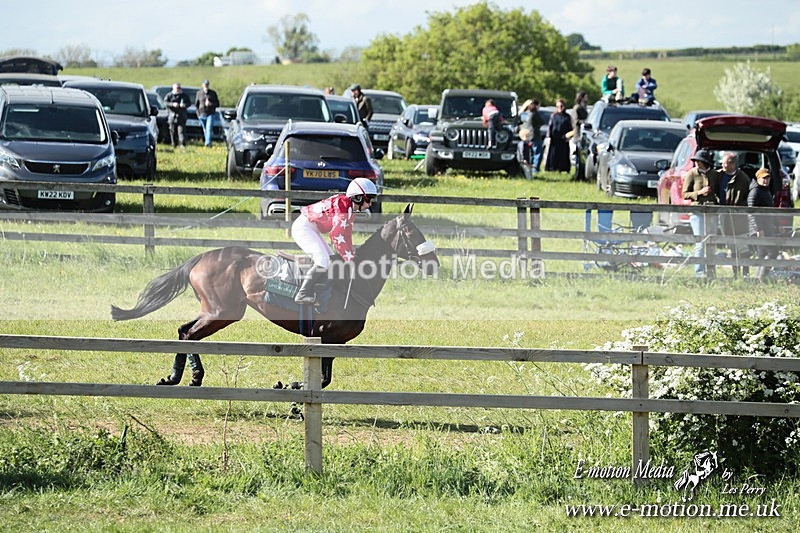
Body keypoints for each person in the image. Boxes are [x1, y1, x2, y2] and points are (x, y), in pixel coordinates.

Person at [292, 177, 378, 304]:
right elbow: (336, 235)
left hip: (312, 227)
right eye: (369, 199)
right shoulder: (344, 206)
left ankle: (321, 293)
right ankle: (302, 294)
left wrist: (351, 256)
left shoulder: (350, 209)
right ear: (358, 197)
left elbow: (346, 235)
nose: (370, 204)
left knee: (331, 260)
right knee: (323, 261)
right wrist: (349, 258)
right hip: (303, 228)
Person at [681, 149, 720, 277]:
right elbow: (685, 194)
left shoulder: (715, 174)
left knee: (711, 241)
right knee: (700, 242)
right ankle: (699, 272)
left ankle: (711, 271)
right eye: (696, 161)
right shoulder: (692, 173)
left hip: (712, 211)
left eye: (700, 161)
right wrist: (699, 192)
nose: (697, 163)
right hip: (697, 211)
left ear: (706, 162)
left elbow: (719, 192)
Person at [716, 152, 750, 277]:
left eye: (726, 163)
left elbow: (748, 198)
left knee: (742, 244)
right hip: (723, 214)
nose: (723, 165)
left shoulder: (743, 178)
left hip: (738, 216)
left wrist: (739, 208)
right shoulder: (718, 175)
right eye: (723, 163)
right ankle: (735, 274)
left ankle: (745, 273)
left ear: (733, 164)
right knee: (730, 244)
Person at [748, 168, 777, 280]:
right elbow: (751, 212)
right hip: (760, 229)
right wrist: (758, 229)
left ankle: (758, 278)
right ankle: (762, 277)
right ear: (758, 178)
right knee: (772, 252)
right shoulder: (755, 192)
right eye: (763, 178)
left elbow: (771, 210)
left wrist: (778, 224)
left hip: (767, 227)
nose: (766, 180)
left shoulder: (766, 191)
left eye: (768, 178)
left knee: (762, 254)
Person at [544, 99, 572, 172]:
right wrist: (549, 136)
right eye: (558, 106)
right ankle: (552, 168)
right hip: (554, 138)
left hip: (564, 138)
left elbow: (570, 128)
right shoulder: (553, 116)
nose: (560, 108)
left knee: (563, 154)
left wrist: (569, 137)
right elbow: (550, 127)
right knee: (553, 154)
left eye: (561, 106)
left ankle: (563, 169)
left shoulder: (567, 116)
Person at [163, 83, 191, 150]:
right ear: (173, 88)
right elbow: (165, 103)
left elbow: (189, 103)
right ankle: (173, 144)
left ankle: (182, 144)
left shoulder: (184, 95)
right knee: (172, 131)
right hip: (172, 116)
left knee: (181, 131)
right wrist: (172, 104)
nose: (178, 89)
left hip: (181, 116)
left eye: (179, 88)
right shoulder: (169, 95)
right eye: (177, 88)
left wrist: (184, 105)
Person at [521, 99, 544, 172]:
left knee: (529, 154)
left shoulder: (525, 113)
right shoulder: (535, 113)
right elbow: (541, 122)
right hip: (534, 135)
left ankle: (529, 168)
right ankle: (535, 169)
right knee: (537, 153)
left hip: (526, 136)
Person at [195, 80, 220, 148]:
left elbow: (217, 104)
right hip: (202, 114)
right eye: (205, 84)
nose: (206, 86)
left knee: (209, 128)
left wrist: (210, 104)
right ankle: (207, 141)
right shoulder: (199, 93)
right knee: (205, 129)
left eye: (207, 85)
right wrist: (198, 114)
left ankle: (208, 143)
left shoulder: (213, 93)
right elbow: (196, 105)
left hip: (210, 113)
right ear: (202, 85)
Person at [570, 91, 589, 175]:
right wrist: (584, 122)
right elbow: (575, 121)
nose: (587, 98)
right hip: (578, 134)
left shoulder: (584, 107)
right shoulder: (577, 108)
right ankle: (578, 173)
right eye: (585, 96)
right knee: (578, 154)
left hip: (584, 134)